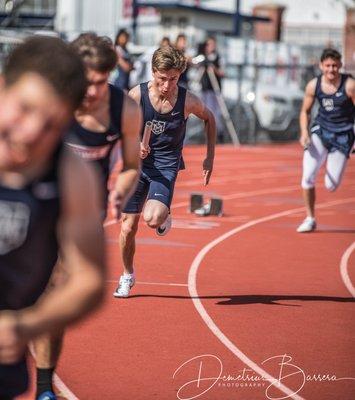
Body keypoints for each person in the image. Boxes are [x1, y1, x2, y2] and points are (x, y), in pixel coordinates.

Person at [33, 33, 142, 399]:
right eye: (86, 80)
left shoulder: (124, 109)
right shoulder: (49, 96)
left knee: (55, 293)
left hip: (84, 208)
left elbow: (130, 165)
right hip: (35, 197)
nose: (92, 91)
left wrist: (122, 187)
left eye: (100, 81)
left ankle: (45, 388)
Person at [0, 36, 106, 400]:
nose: (30, 133)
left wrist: (27, 326)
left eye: (50, 125)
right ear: (2, 89)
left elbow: (89, 278)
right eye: (24, 108)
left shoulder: (70, 173)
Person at [114, 45, 216, 298]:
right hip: (137, 165)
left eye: (173, 79)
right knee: (128, 227)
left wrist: (209, 158)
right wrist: (133, 144)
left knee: (153, 219)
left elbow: (209, 118)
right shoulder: (136, 95)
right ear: (153, 73)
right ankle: (127, 275)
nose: (167, 86)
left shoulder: (187, 100)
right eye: (162, 79)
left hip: (165, 165)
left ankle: (164, 213)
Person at [297, 48, 355, 233]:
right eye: (328, 66)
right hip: (321, 132)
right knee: (307, 177)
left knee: (331, 186)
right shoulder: (313, 85)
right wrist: (304, 132)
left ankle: (334, 161)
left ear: (340, 66)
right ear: (321, 66)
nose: (331, 70)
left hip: (343, 135)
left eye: (335, 66)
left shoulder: (349, 85)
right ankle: (310, 218)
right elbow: (305, 112)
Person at [199, 36, 225, 143]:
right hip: (204, 89)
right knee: (204, 113)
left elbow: (222, 72)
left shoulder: (218, 58)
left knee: (214, 113)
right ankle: (207, 135)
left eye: (212, 44)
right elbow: (195, 64)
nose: (211, 47)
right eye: (208, 45)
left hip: (215, 90)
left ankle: (218, 133)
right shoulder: (203, 58)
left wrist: (214, 69)